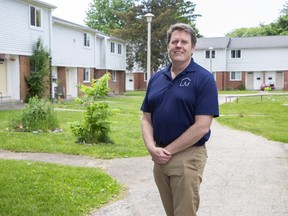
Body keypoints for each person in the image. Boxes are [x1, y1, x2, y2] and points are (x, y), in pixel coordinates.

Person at [140, 23, 219, 216]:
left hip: (187, 156)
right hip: (159, 157)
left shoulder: (204, 78)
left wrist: (166, 151)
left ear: (193, 48)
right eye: (174, 41)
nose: (178, 45)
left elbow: (202, 127)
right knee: (171, 212)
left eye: (184, 42)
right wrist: (152, 148)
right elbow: (146, 118)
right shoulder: (157, 78)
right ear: (168, 46)